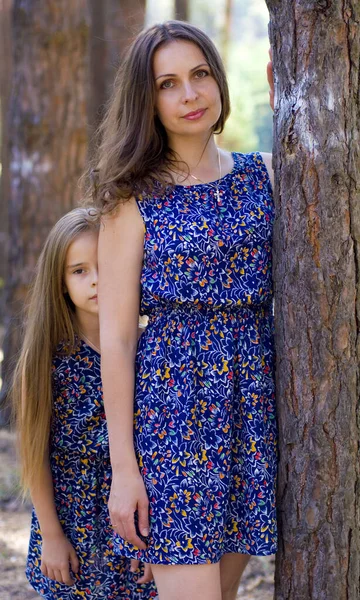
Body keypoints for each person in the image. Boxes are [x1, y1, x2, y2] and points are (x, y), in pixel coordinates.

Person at [90, 20, 277, 600]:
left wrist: (286, 102)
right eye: (167, 84)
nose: (189, 94)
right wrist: (125, 469)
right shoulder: (131, 199)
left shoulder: (264, 174)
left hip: (255, 406)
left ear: (218, 81)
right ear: (148, 101)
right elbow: (117, 339)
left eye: (199, 75)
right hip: (174, 412)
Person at [12, 208, 157, 599]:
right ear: (60, 282)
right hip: (71, 524)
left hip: (135, 519)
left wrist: (152, 538)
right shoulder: (46, 361)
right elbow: (34, 454)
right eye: (79, 270)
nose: (96, 280)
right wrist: (52, 535)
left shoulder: (149, 351)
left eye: (104, 264)